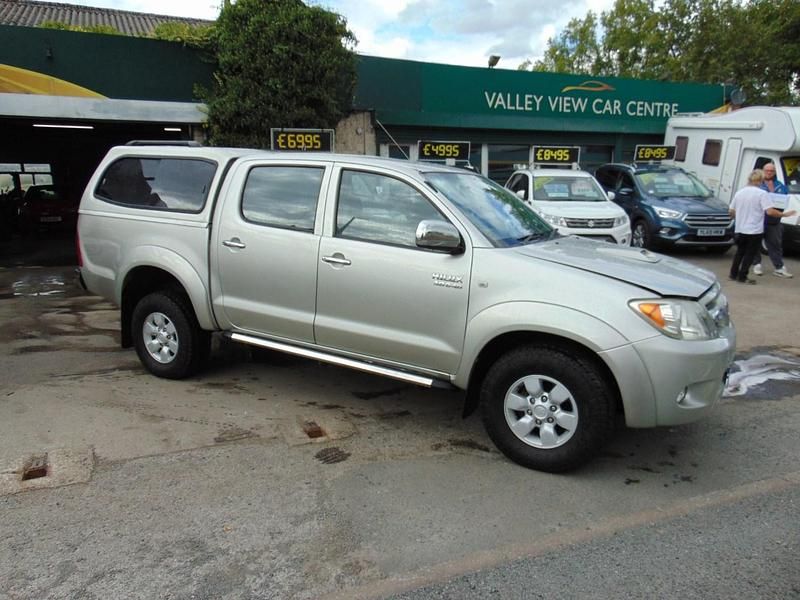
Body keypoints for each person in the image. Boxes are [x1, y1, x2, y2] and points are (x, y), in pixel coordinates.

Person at [728, 169, 796, 284]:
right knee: (750, 254)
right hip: (754, 230)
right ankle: (742, 276)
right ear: (760, 180)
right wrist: (783, 214)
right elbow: (769, 211)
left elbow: (731, 210)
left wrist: (737, 217)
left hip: (740, 228)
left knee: (740, 252)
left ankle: (733, 273)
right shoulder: (761, 194)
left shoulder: (740, 192)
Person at [751, 162, 791, 277]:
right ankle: (756, 264)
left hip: (774, 220)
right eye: (767, 170)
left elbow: (785, 198)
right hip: (759, 219)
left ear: (774, 172)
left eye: (771, 171)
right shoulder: (757, 184)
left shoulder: (780, 185)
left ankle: (779, 267)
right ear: (763, 171)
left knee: (775, 244)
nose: (769, 173)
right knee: (755, 243)